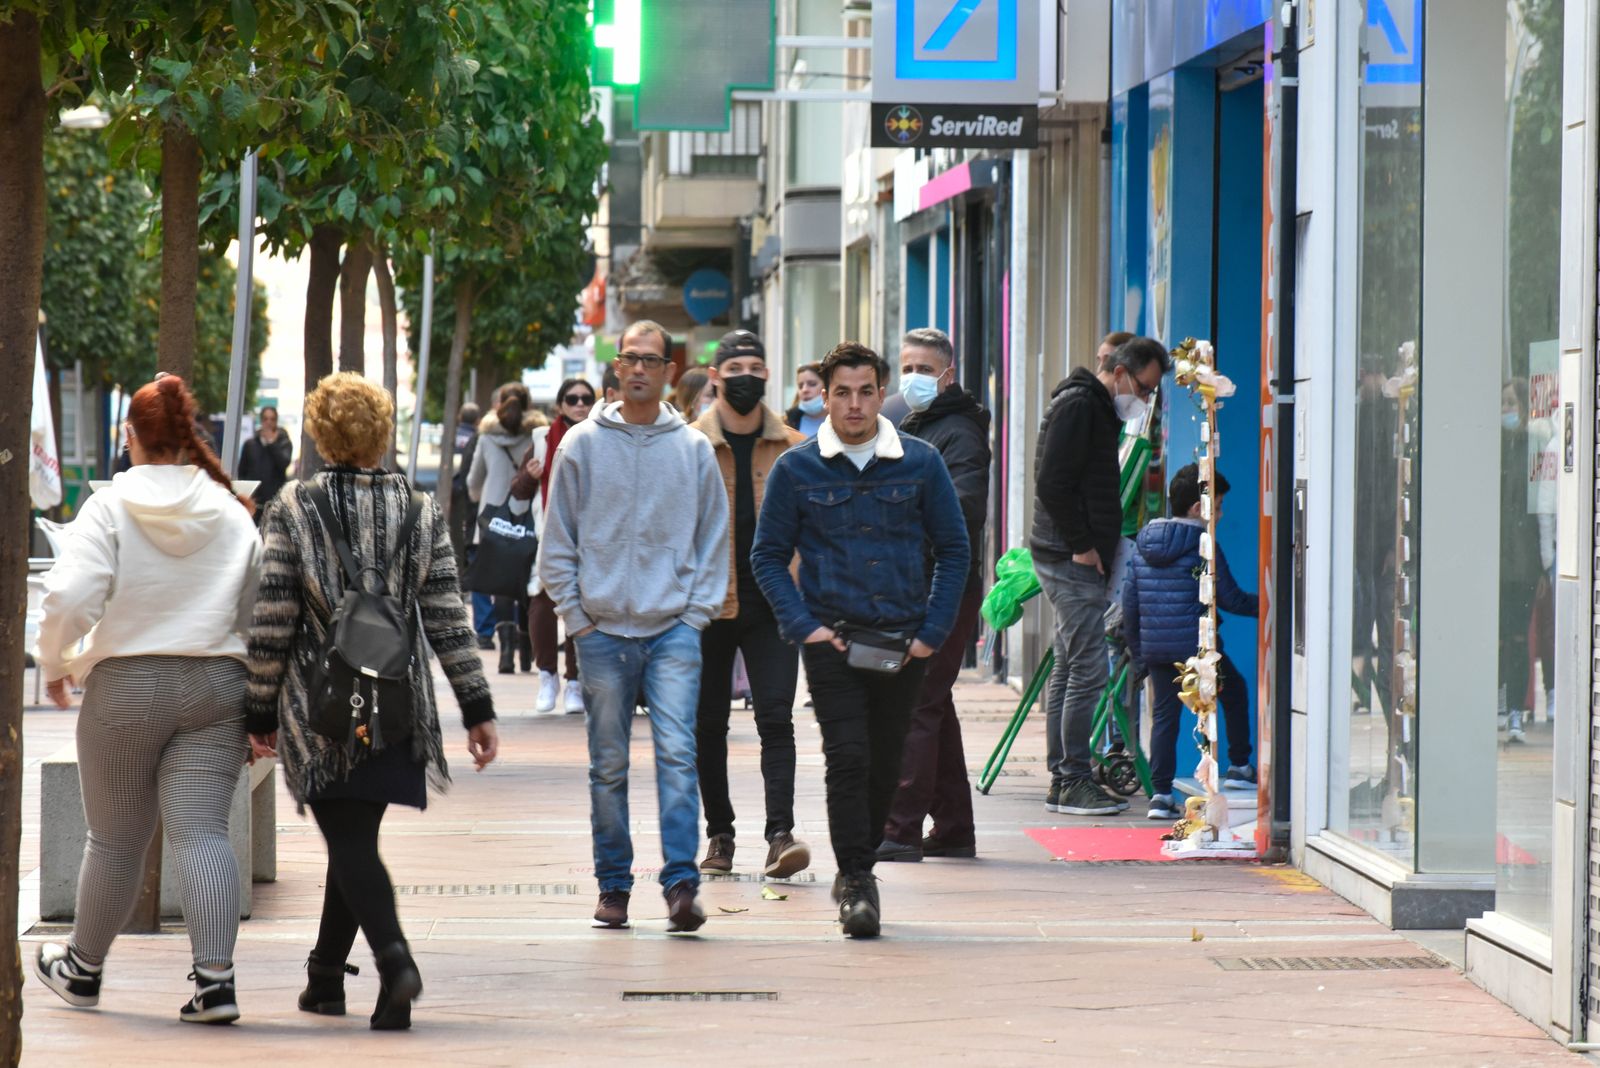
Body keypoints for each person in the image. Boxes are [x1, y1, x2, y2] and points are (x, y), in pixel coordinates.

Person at [245, 372, 498, 1031]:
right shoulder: (419, 511)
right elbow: (446, 617)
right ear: (382, 431)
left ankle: (395, 961)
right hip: (393, 705)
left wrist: (258, 711)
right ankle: (326, 979)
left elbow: (272, 617)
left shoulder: (294, 507)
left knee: (349, 840)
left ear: (320, 433)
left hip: (322, 710)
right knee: (353, 838)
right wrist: (476, 707)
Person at [33, 374, 261, 1025]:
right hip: (217, 686)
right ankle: (215, 983)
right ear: (189, 438)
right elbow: (257, 604)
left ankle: (82, 969)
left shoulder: (110, 506)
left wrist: (57, 662)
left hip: (126, 689)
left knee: (114, 840)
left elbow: (73, 596)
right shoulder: (228, 509)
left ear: (129, 436)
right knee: (203, 834)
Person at [752, 341, 968, 938]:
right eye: (841, 392)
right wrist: (807, 629)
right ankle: (857, 881)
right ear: (824, 396)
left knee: (886, 765)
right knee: (846, 759)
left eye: (865, 391)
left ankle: (858, 864)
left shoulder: (920, 462)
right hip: (834, 642)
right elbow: (767, 557)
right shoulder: (798, 469)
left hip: (903, 642)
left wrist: (932, 632)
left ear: (881, 392)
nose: (853, 404)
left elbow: (954, 551)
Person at [538, 319, 729, 933]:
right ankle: (613, 885)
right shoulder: (581, 445)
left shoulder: (693, 448)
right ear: (617, 369)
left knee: (678, 755)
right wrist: (577, 619)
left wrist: (695, 615)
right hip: (601, 633)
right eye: (630, 359)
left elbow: (714, 539)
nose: (641, 369)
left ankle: (680, 885)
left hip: (673, 626)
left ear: (670, 371)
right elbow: (557, 539)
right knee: (609, 764)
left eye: (653, 359)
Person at [690, 330, 811, 879]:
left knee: (775, 719)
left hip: (773, 604)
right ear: (714, 376)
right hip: (707, 605)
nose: (745, 375)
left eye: (756, 366)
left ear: (768, 375)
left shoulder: (791, 445)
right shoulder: (689, 444)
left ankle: (780, 834)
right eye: (734, 365)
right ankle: (719, 835)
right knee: (708, 724)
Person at [1033, 335, 1170, 817]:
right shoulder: (1080, 408)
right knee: (1087, 668)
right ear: (1118, 372)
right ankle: (1070, 778)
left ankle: (1063, 776)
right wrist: (1083, 545)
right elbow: (1052, 483)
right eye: (1145, 387)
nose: (1146, 398)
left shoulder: (1091, 408)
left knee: (1072, 665)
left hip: (1073, 555)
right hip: (1071, 558)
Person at [877, 328, 991, 862]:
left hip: (943, 585)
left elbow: (964, 512)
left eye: (924, 369)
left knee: (916, 701)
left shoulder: (960, 433)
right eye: (907, 368)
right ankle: (953, 828)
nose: (913, 379)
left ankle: (899, 829)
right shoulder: (913, 423)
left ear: (948, 374)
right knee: (933, 704)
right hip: (915, 581)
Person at [1121, 465, 1258, 820]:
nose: (1223, 512)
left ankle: (1161, 795)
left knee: (1165, 717)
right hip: (1196, 648)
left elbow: (1130, 605)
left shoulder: (1142, 545)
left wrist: (1139, 654)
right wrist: (1271, 603)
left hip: (1156, 648)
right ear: (1199, 509)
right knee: (1235, 691)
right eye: (1220, 504)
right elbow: (1229, 597)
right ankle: (1241, 765)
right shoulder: (1203, 544)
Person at [510, 378, 592, 714]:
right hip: (549, 535)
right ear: (560, 405)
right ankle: (548, 676)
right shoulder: (542, 440)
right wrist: (530, 475)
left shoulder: (600, 438)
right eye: (572, 399)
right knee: (542, 605)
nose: (579, 404)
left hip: (589, 537)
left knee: (583, 606)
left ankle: (574, 682)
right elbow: (517, 491)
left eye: (586, 399)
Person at [467, 383, 542, 675]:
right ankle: (526, 653)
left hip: (494, 521)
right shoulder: (536, 436)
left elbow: (474, 482)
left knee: (501, 587)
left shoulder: (486, 438)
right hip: (527, 518)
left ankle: (506, 654)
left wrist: (482, 497)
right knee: (524, 582)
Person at [449, 402, 495, 651]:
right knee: (514, 572)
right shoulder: (530, 438)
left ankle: (486, 631)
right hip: (520, 517)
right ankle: (514, 631)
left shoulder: (482, 440)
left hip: (483, 516)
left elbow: (470, 482)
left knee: (480, 572)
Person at [237, 404, 294, 520]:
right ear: (261, 420)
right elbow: (242, 472)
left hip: (275, 503)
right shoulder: (250, 444)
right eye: (265, 419)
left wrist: (272, 443)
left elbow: (284, 463)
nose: (268, 422)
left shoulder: (284, 443)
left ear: (276, 421)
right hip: (254, 503)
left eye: (272, 419)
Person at [784, 362, 826, 437]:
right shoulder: (787, 422)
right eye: (800, 386)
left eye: (812, 384)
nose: (804, 390)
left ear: (826, 386)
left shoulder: (841, 420)